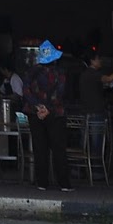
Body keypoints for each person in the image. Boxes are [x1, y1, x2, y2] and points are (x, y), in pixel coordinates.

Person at [23, 39, 72, 192]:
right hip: (55, 114)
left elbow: (25, 91)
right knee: (58, 148)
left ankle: (42, 183)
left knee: (40, 148)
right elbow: (60, 94)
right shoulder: (59, 73)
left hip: (35, 113)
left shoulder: (31, 73)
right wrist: (48, 108)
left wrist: (38, 107)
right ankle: (63, 183)